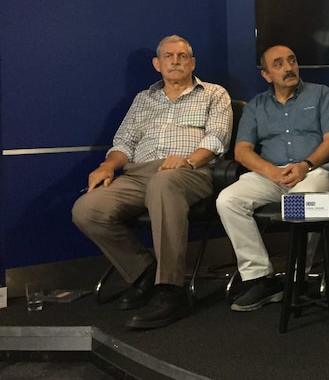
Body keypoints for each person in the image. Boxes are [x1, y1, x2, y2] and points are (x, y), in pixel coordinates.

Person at [72, 35, 232, 329]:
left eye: (182, 56)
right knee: (86, 209)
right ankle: (144, 271)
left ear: (192, 62)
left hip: (191, 171)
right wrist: (107, 166)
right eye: (169, 56)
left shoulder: (213, 93)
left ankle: (171, 289)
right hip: (139, 173)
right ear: (157, 64)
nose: (175, 60)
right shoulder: (143, 99)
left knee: (164, 183)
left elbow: (217, 138)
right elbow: (125, 142)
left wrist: (187, 160)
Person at [216, 45, 329, 312]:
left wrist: (305, 165)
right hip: (270, 175)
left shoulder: (321, 94)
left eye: (292, 61)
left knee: (301, 202)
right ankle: (260, 277)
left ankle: (297, 276)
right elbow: (241, 151)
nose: (288, 68)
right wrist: (271, 172)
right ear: (266, 75)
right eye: (279, 64)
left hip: (313, 172)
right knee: (228, 200)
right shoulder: (255, 106)